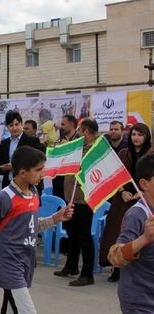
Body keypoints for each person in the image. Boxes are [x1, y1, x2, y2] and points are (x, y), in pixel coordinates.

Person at [0, 146, 74, 314]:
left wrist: (57, 218)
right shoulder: (3, 198)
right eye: (39, 170)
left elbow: (33, 225)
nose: (43, 174)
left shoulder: (34, 194)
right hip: (9, 264)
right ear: (23, 172)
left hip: (26, 263)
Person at [108, 154, 154, 314]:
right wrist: (144, 239)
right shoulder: (137, 215)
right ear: (144, 184)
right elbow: (114, 256)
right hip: (143, 306)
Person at [100, 123, 152, 282]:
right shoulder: (124, 153)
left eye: (140, 134)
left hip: (144, 198)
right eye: (134, 134)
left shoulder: (150, 155)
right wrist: (122, 192)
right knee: (117, 232)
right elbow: (115, 175)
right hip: (123, 199)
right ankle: (116, 268)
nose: (136, 138)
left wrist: (140, 193)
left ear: (146, 137)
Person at [55, 118, 99, 286]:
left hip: (83, 199)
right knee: (72, 233)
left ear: (87, 132)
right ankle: (71, 265)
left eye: (81, 131)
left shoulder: (94, 149)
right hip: (72, 197)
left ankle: (87, 273)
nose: (79, 134)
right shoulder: (79, 146)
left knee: (84, 235)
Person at [0, 110, 43, 189]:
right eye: (11, 125)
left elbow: (37, 161)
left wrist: (14, 166)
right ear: (7, 127)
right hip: (8, 184)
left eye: (17, 124)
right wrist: (1, 168)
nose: (14, 128)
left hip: (28, 185)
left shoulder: (32, 141)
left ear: (22, 124)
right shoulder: (4, 143)